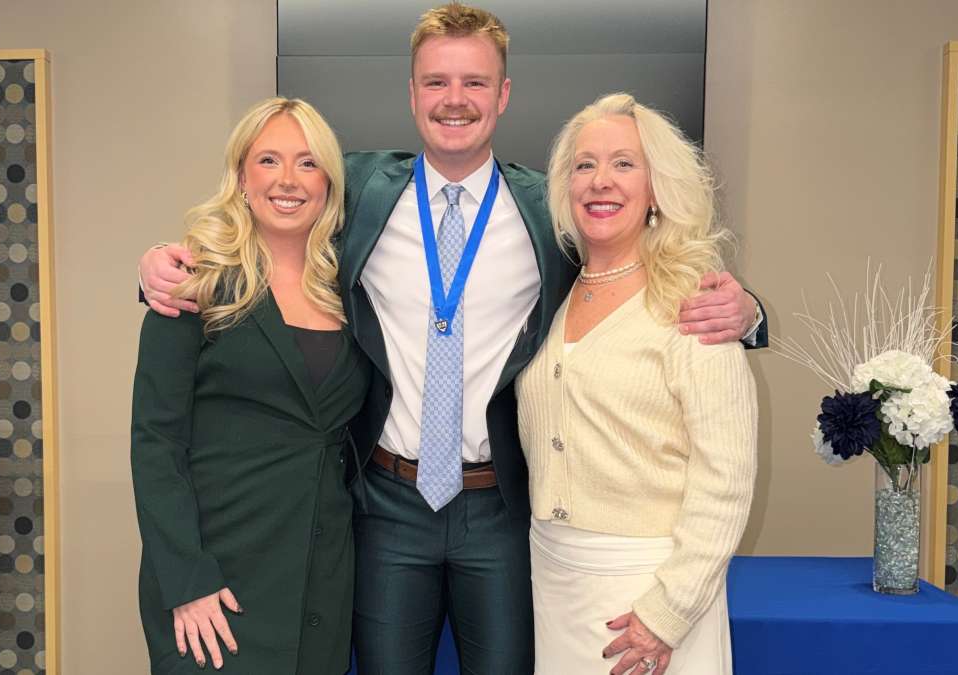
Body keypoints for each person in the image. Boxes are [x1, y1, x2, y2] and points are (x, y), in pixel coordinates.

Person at [138, 5, 766, 672]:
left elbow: (633, 271)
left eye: (474, 82)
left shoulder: (549, 214)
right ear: (412, 93)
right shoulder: (354, 193)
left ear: (503, 94)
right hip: (386, 503)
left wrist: (748, 312)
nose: (455, 100)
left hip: (498, 508)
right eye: (436, 82)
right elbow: (273, 216)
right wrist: (157, 269)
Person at [516, 92, 758, 675]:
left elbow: (726, 477)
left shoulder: (693, 301)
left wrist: (668, 611)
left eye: (624, 163)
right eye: (584, 165)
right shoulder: (551, 293)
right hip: (554, 581)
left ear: (657, 188)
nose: (601, 181)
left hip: (650, 596)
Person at [130, 97, 370, 674]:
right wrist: (186, 579)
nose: (288, 180)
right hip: (215, 582)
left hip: (321, 578)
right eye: (269, 160)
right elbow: (155, 445)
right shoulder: (194, 286)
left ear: (330, 183)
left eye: (308, 163)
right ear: (241, 176)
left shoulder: (354, 290)